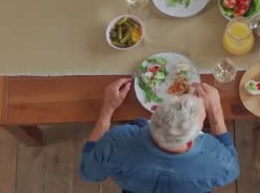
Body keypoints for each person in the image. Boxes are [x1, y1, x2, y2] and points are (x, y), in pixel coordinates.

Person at [79, 78, 239, 193]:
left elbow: (88, 172)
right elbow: (232, 171)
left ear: (154, 111)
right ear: (193, 140)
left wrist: (107, 109)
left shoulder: (118, 141)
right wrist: (215, 110)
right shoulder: (218, 161)